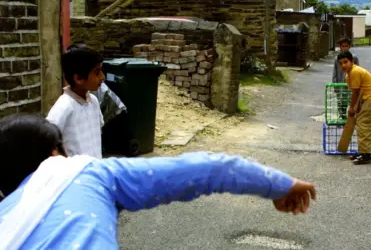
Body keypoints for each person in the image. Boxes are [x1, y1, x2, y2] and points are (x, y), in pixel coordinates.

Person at [0, 114, 316, 250]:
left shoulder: (6, 217)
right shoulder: (87, 172)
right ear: (57, 151)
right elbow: (206, 168)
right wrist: (279, 184)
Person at [46, 44, 105, 159]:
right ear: (78, 78)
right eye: (97, 72)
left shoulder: (94, 101)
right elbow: (47, 139)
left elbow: (99, 129)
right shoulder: (64, 106)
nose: (102, 77)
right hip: (76, 173)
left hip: (95, 168)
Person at [337, 50, 371, 165]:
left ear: (351, 61)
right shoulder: (351, 73)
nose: (343, 65)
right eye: (341, 63)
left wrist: (352, 107)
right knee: (363, 124)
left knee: (364, 124)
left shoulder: (355, 72)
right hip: (369, 98)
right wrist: (357, 106)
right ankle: (363, 152)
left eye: (345, 62)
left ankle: (366, 155)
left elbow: (356, 93)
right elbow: (359, 90)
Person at [332, 37, 359, 120]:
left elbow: (357, 72)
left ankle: (352, 120)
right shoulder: (337, 59)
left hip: (351, 86)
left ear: (349, 46)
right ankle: (342, 119)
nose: (344, 48)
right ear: (340, 47)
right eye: (343, 46)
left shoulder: (354, 58)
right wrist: (335, 85)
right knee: (341, 103)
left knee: (352, 103)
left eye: (346, 46)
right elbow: (335, 73)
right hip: (341, 85)